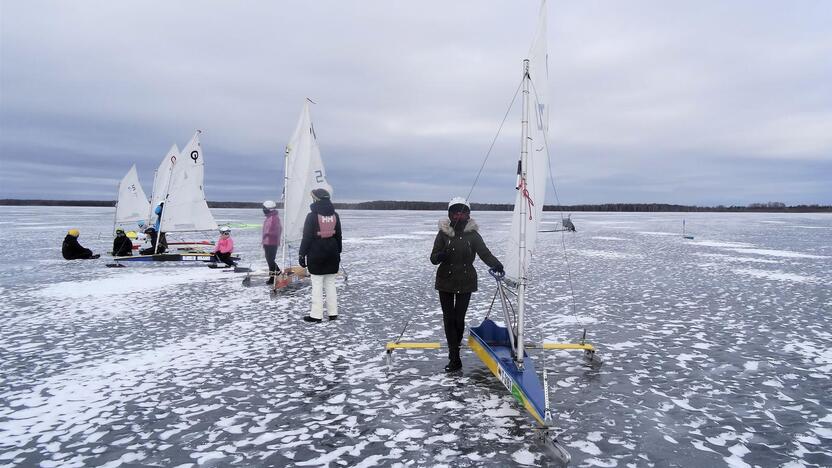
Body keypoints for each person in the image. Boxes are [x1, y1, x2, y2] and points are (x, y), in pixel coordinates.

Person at [430, 197, 503, 372]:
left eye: (462, 212)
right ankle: (454, 358)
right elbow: (433, 258)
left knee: (458, 318)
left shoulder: (473, 235)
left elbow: (485, 254)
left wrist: (497, 264)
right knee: (449, 319)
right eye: (455, 212)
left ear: (468, 215)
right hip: (445, 281)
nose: (458, 215)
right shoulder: (443, 233)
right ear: (450, 214)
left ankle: (455, 347)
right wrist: (440, 256)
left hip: (466, 280)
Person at [298, 188, 341, 323]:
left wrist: (301, 254)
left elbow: (307, 237)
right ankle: (333, 313)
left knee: (317, 284)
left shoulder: (311, 216)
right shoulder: (335, 215)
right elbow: (338, 236)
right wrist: (338, 252)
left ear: (315, 199)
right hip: (332, 253)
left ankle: (316, 315)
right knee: (330, 284)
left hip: (316, 254)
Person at [262, 200, 283, 284]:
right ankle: (273, 277)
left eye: (264, 208)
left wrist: (267, 234)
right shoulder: (269, 217)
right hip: (267, 242)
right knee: (270, 260)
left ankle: (278, 274)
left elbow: (278, 230)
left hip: (272, 242)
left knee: (270, 260)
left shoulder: (274, 218)